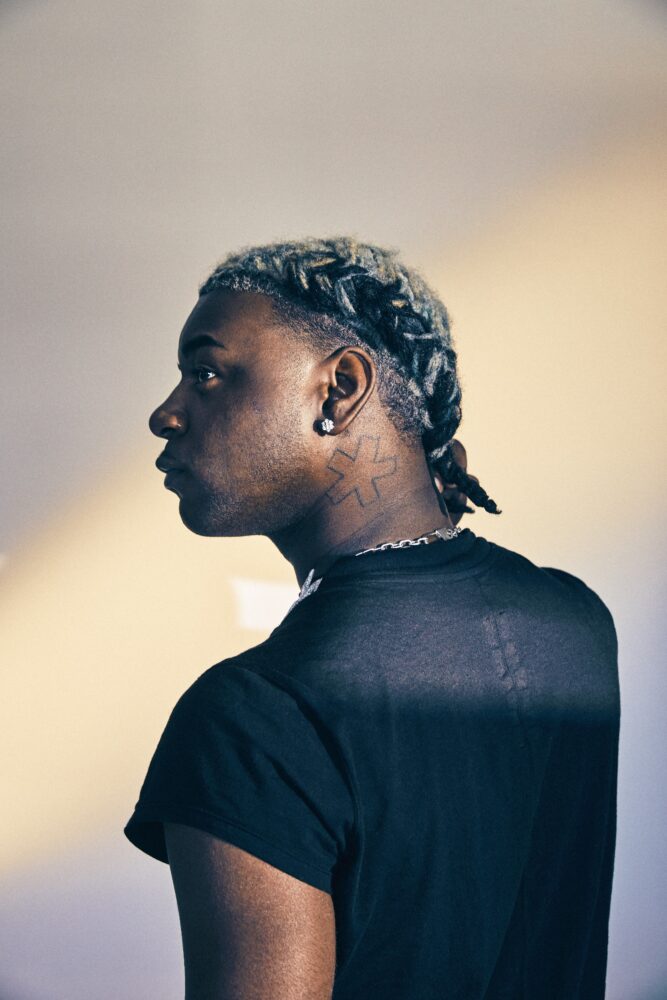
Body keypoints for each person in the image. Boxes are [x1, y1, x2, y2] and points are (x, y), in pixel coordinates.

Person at [124, 237, 620, 1000]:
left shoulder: (253, 716)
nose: (165, 413)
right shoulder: (574, 623)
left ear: (338, 388)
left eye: (206, 373)